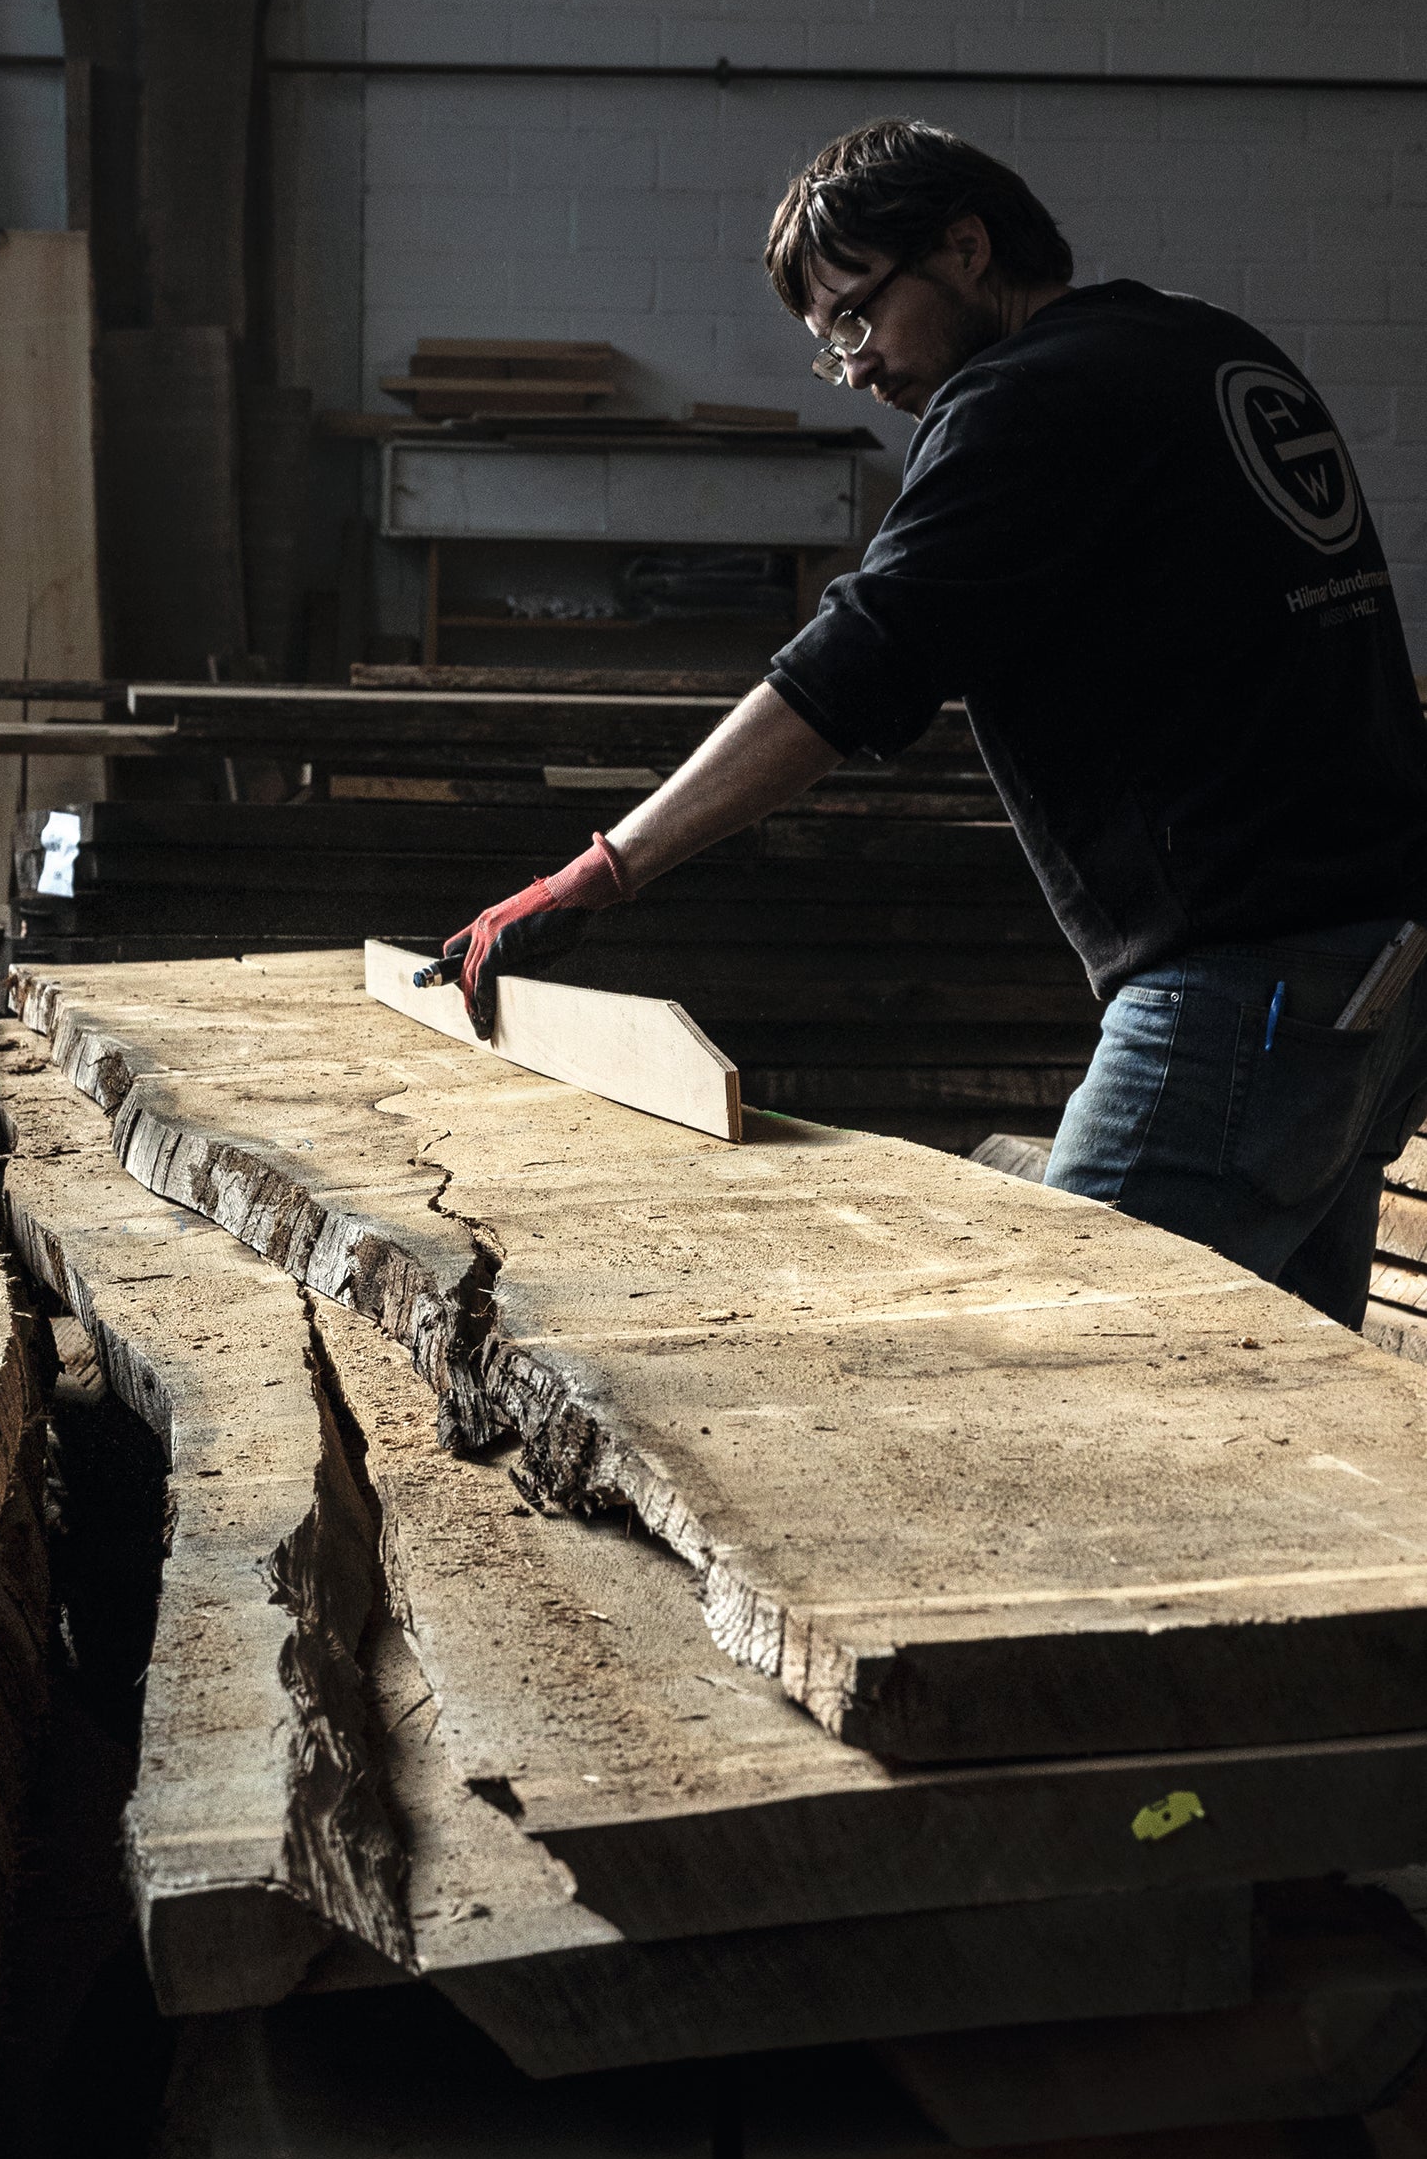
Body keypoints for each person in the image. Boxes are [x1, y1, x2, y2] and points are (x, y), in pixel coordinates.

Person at [437, 115, 1427, 1328]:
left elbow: (857, 662)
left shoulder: (1024, 397)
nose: (851, 366)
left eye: (853, 317)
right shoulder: (1202, 348)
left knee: (1082, 1370)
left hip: (1242, 983)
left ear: (964, 247)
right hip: (1374, 961)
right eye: (824, 346)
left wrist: (601, 870)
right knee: (1290, 1399)